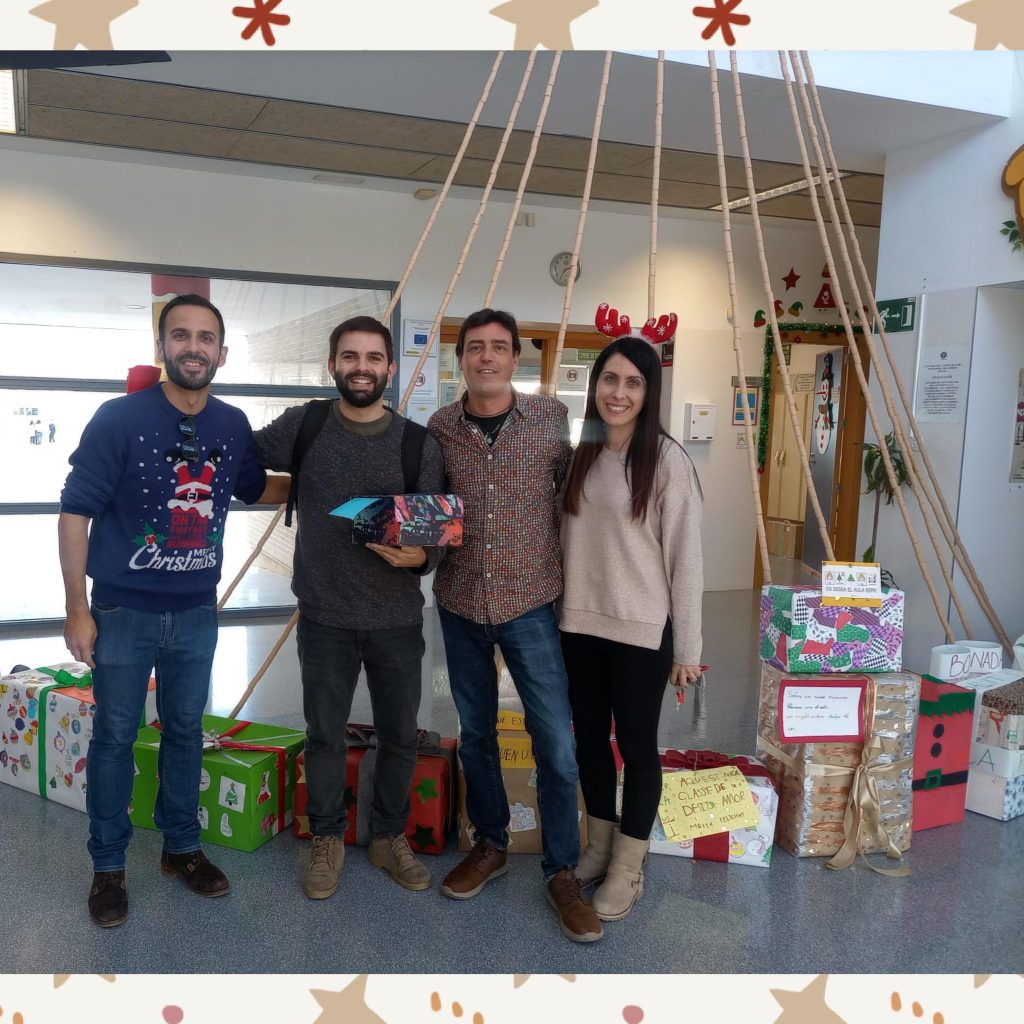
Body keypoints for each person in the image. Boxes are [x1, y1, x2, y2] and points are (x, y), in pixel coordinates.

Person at [58, 293, 279, 929]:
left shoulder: (231, 425)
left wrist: (330, 488)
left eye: (205, 338)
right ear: (162, 348)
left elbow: (256, 487)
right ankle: (108, 866)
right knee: (114, 738)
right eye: (180, 335)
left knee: (186, 732)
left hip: (196, 614)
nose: (193, 347)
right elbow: (75, 511)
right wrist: (76, 608)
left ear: (222, 353)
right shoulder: (118, 418)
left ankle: (181, 849)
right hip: (122, 612)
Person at [252, 315, 446, 899]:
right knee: (324, 736)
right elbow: (242, 461)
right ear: (333, 364)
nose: (362, 368)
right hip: (324, 617)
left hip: (396, 620)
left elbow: (435, 531)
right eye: (350, 357)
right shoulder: (304, 424)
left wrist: (421, 558)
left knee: (401, 736)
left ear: (391, 368)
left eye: (373, 358)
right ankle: (327, 836)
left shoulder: (418, 443)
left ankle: (389, 836)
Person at [428, 308, 603, 944]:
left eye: (498, 347)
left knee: (554, 740)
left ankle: (562, 870)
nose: (487, 357)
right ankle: (491, 843)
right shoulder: (439, 427)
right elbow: (429, 509)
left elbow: (577, 496)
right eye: (475, 347)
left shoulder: (550, 418)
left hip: (532, 603)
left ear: (515, 358)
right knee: (476, 733)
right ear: (461, 360)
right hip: (460, 601)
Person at [559, 335, 703, 921]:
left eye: (633, 383)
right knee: (589, 741)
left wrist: (687, 648)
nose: (618, 393)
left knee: (638, 748)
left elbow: (686, 560)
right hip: (578, 626)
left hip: (642, 632)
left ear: (649, 392)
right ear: (595, 386)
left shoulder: (667, 461)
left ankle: (627, 869)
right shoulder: (583, 452)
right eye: (609, 379)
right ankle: (598, 847)